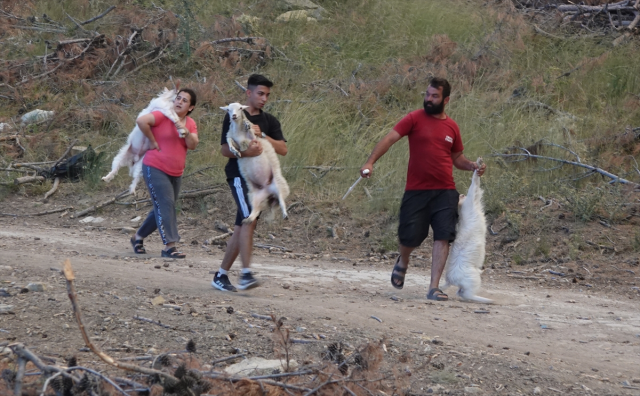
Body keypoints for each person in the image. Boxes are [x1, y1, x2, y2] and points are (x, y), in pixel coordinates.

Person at [360, 77, 486, 302]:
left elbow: (457, 158)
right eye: (427, 94)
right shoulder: (414, 119)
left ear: (445, 99)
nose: (428, 99)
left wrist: (472, 167)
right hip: (416, 190)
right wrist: (370, 162)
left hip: (445, 191)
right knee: (409, 237)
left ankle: (434, 287)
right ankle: (403, 260)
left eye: (434, 96)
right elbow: (389, 139)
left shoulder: (452, 127)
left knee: (443, 236)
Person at [212, 74, 288, 292]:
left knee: (241, 226)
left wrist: (261, 134)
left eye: (267, 95)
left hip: (260, 180)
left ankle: (221, 275)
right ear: (248, 93)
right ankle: (245, 274)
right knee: (248, 220)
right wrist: (245, 152)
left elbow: (282, 149)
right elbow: (225, 150)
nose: (264, 98)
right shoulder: (234, 115)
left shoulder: (270, 121)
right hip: (238, 175)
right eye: (260, 93)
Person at [130, 88, 199, 259]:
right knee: (166, 205)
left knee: (162, 207)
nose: (179, 102)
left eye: (184, 100)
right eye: (178, 98)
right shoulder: (164, 115)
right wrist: (152, 141)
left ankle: (137, 237)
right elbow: (141, 121)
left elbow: (193, 144)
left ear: (190, 107)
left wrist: (185, 130)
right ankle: (170, 246)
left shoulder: (190, 123)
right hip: (155, 167)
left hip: (176, 172)